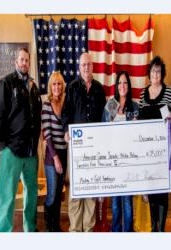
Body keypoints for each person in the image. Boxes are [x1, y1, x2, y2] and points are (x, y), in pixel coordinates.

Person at [0, 48, 42, 232]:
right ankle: (4, 233)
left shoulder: (33, 88)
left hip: (30, 153)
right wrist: (1, 147)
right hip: (11, 151)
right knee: (7, 196)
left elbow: (36, 118)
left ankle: (30, 229)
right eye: (22, 59)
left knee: (32, 195)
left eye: (27, 60)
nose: (25, 63)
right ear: (16, 62)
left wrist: (35, 146)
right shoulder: (5, 84)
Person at [61, 52, 106, 232]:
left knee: (91, 190)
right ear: (79, 67)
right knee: (75, 189)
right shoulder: (72, 87)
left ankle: (88, 229)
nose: (86, 67)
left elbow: (105, 117)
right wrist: (66, 131)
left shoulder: (99, 89)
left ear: (93, 66)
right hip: (77, 149)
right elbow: (65, 114)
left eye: (89, 64)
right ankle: (75, 231)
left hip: (94, 150)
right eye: (83, 65)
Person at [139, 56, 171, 232]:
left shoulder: (169, 92)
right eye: (153, 70)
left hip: (164, 152)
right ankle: (153, 226)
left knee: (161, 190)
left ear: (162, 73)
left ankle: (160, 230)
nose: (155, 74)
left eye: (158, 71)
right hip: (147, 151)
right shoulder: (143, 93)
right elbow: (140, 119)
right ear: (149, 73)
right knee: (150, 188)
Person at [102, 71, 139, 232]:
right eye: (120, 83)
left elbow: (140, 136)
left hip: (129, 161)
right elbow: (103, 132)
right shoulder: (111, 104)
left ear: (128, 86)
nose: (122, 86)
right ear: (117, 86)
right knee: (116, 203)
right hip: (113, 161)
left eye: (125, 83)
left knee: (128, 204)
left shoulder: (135, 106)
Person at [41, 71, 67, 232]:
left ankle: (56, 225)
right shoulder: (46, 105)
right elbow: (48, 135)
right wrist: (56, 159)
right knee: (51, 194)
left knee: (58, 193)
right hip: (52, 157)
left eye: (59, 83)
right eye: (54, 84)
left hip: (64, 154)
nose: (57, 86)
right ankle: (49, 226)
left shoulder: (65, 104)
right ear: (50, 86)